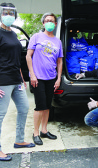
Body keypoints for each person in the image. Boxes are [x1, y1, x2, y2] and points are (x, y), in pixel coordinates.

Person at [0, 2, 35, 161]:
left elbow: (16, 59)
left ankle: (19, 140)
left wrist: (22, 78)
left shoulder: (14, 34)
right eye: (5, 13)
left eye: (11, 13)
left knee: (24, 108)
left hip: (16, 79)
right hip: (3, 80)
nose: (9, 15)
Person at [26, 12, 63, 145]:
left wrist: (58, 78)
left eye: (52, 21)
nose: (49, 23)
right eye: (47, 20)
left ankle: (44, 130)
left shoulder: (58, 41)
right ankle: (35, 133)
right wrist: (32, 75)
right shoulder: (36, 37)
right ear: (43, 23)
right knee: (40, 106)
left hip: (51, 78)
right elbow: (28, 56)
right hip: (38, 78)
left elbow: (59, 61)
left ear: (55, 23)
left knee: (48, 106)